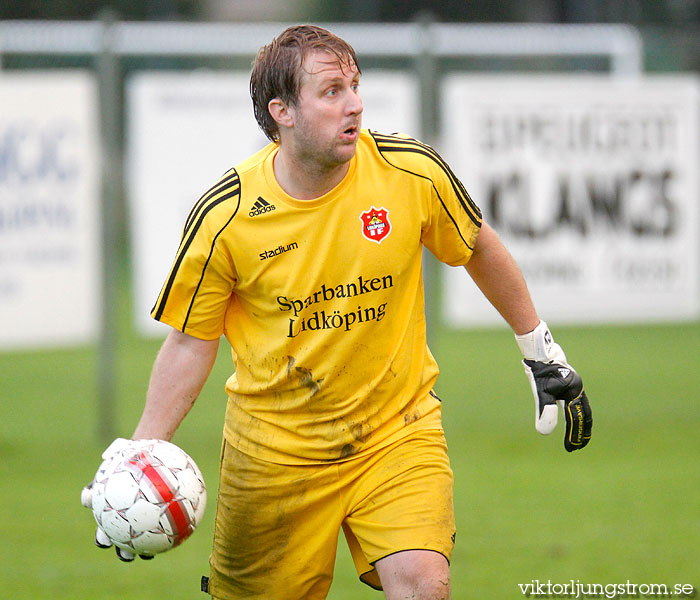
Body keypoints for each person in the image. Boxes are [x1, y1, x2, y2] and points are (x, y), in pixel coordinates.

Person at [83, 24, 592, 600]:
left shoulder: (410, 172)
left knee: (424, 583)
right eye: (331, 91)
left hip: (397, 432)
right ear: (284, 112)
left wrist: (539, 349)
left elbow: (477, 245)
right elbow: (190, 341)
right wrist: (142, 455)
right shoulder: (226, 216)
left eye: (355, 85)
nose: (355, 104)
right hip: (273, 459)